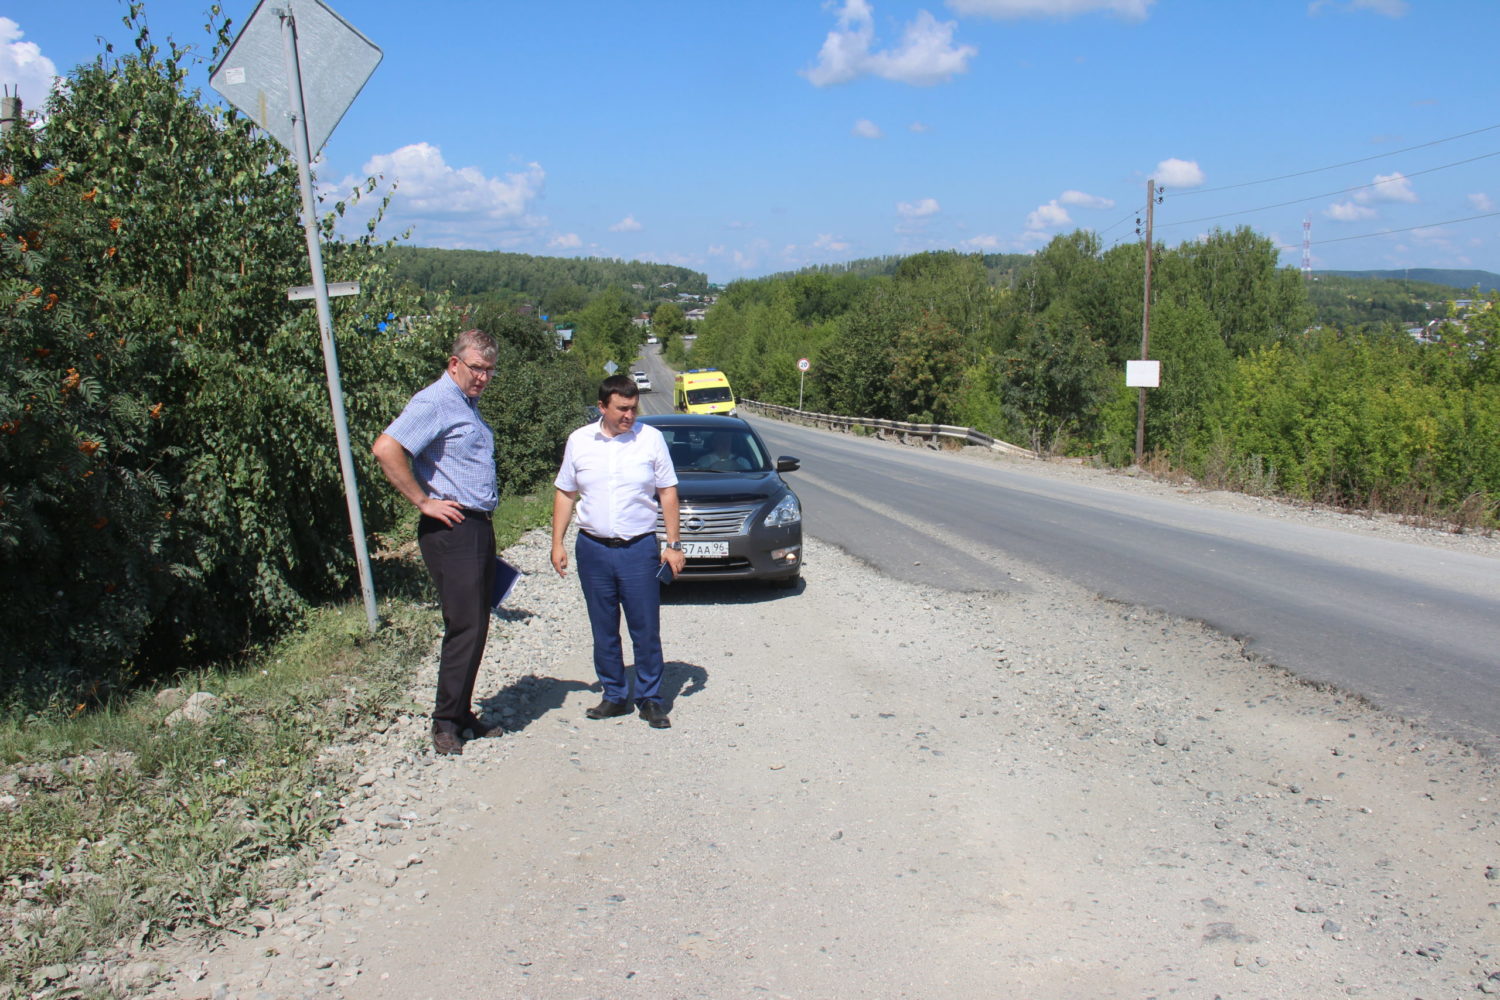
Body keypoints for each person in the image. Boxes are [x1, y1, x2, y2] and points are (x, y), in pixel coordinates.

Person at [372, 329, 500, 756]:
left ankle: (462, 713)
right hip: (452, 530)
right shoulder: (435, 400)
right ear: (454, 364)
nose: (482, 376)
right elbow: (387, 447)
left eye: (488, 369)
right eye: (476, 368)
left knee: (477, 624)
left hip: (477, 525)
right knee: (463, 624)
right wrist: (423, 501)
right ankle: (444, 722)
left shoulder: (467, 405)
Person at [551, 374, 687, 729]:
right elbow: (566, 493)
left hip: (638, 550)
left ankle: (651, 698)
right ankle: (614, 694)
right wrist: (557, 543)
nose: (629, 415)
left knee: (645, 628)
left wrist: (673, 545)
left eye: (633, 408)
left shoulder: (650, 440)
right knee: (603, 628)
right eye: (621, 409)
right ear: (602, 407)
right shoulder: (579, 441)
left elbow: (668, 492)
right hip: (593, 550)